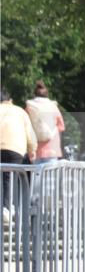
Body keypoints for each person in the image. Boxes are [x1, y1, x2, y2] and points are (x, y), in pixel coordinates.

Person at [0, 89, 37, 218]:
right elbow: (30, 135)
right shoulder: (20, 112)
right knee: (9, 178)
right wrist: (32, 150)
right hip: (15, 149)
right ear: (10, 100)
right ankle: (7, 207)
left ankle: (5, 207)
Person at [25, 81, 64, 165]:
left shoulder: (29, 107)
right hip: (52, 147)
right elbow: (61, 126)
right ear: (47, 94)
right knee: (50, 176)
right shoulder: (53, 106)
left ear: (34, 94)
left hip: (35, 148)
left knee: (37, 175)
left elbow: (25, 125)